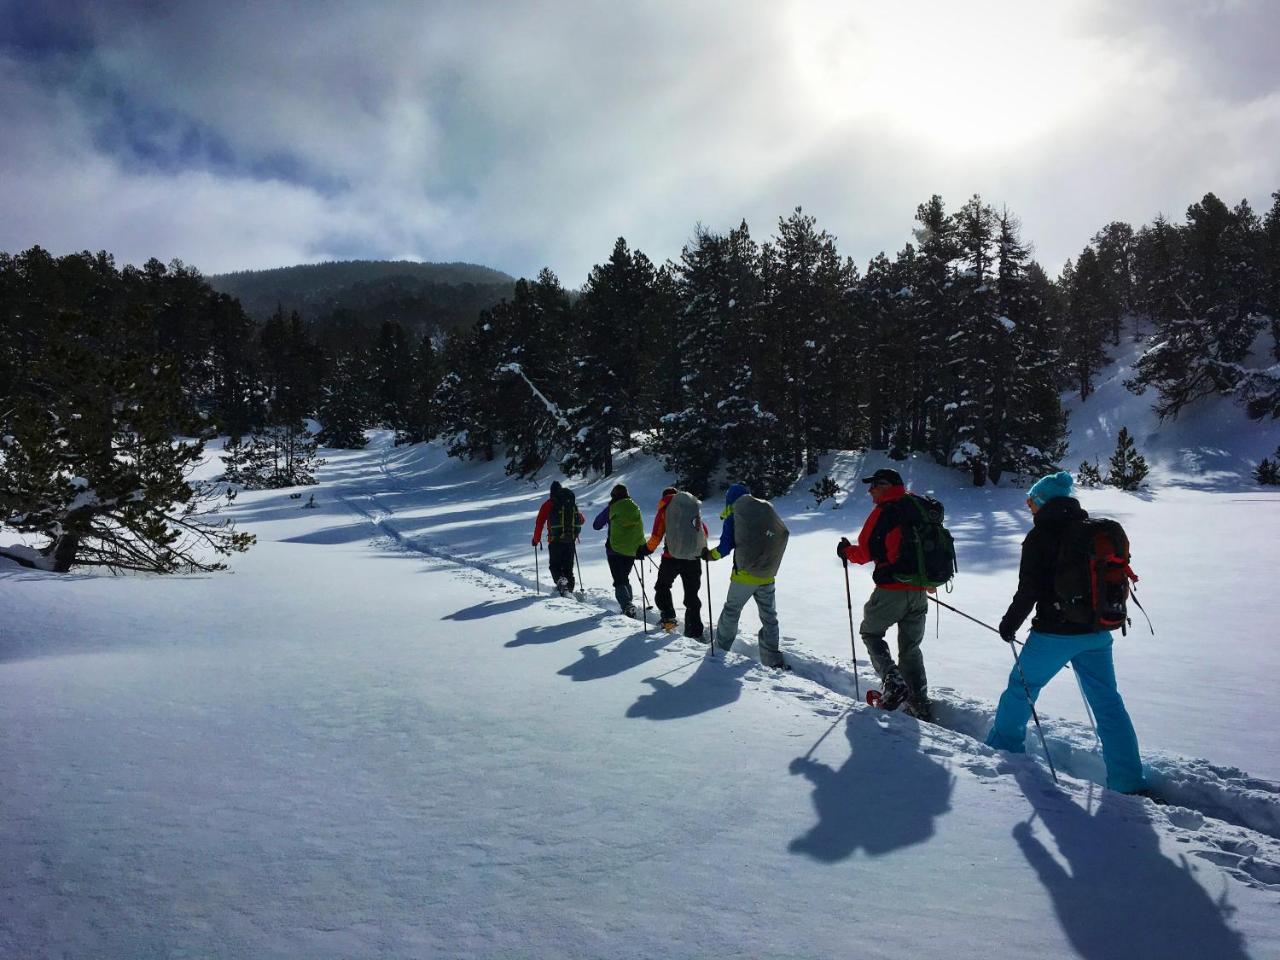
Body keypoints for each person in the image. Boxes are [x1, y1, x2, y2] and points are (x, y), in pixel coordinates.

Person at [984, 470, 1146, 794]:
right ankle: (1128, 780)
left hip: (1054, 634)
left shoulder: (1041, 536)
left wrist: (1009, 624)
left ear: (1043, 502)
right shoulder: (1088, 532)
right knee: (1108, 703)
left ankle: (1002, 750)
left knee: (1021, 688)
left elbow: (1029, 589)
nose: (1029, 507)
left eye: (1031, 501)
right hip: (1098, 632)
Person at [837, 467, 932, 720]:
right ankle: (919, 702)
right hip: (920, 590)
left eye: (874, 486)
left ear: (886, 486)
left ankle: (893, 682)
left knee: (870, 632)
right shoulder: (918, 506)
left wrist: (846, 552)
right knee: (911, 648)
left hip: (892, 590)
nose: (869, 491)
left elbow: (866, 552)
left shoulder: (884, 511)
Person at [707, 483, 789, 669]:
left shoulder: (735, 515)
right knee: (769, 616)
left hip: (744, 576)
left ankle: (720, 649)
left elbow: (724, 548)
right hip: (767, 574)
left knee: (732, 611)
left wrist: (709, 556)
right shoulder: (765, 512)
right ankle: (771, 659)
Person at [636, 487, 706, 637]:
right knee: (692, 595)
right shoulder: (691, 508)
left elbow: (656, 535)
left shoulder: (665, 509)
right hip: (693, 559)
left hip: (671, 558)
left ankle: (668, 618)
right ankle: (694, 631)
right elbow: (703, 531)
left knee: (662, 587)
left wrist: (645, 550)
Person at [592, 483, 644, 617]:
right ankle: (628, 604)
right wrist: (642, 546)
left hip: (614, 549)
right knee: (624, 577)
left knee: (618, 580)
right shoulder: (635, 507)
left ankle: (627, 605)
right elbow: (640, 528)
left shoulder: (612, 508)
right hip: (632, 550)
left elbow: (596, 525)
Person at [532, 480, 584, 597]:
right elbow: (581, 520)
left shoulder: (549, 504)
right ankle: (568, 592)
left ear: (551, 492)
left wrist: (536, 539)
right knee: (568, 568)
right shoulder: (570, 503)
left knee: (555, 566)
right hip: (570, 540)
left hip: (555, 540)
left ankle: (561, 582)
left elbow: (539, 522)